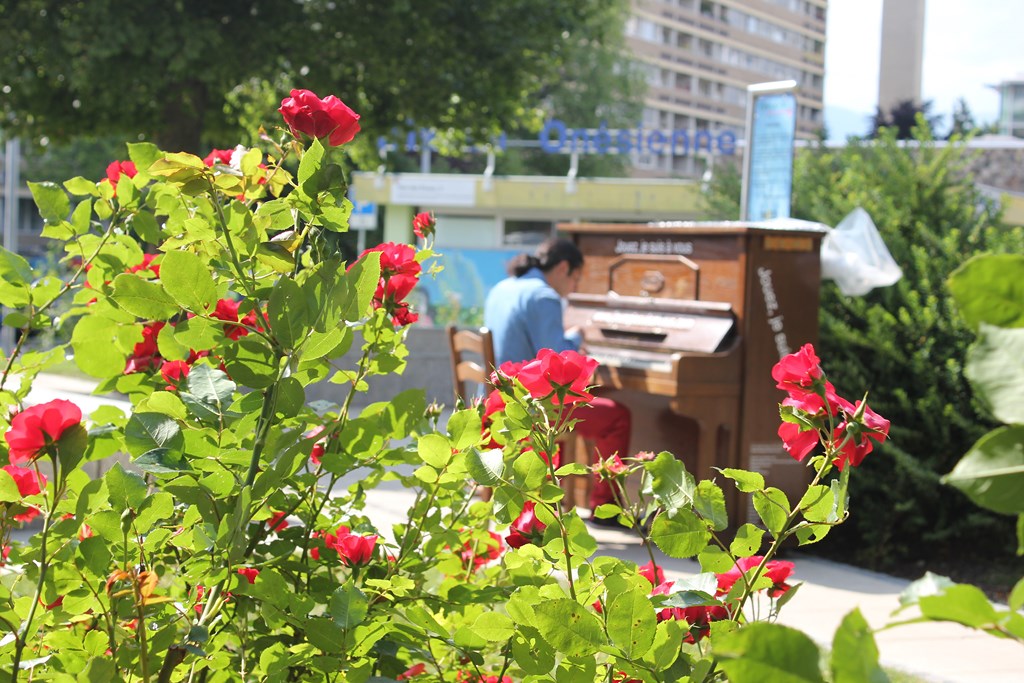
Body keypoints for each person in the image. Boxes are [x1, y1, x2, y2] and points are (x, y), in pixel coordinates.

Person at [484, 238, 632, 518]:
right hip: (531, 408)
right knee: (617, 417)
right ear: (564, 268)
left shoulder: (502, 287)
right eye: (576, 279)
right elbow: (557, 360)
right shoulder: (544, 296)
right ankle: (605, 508)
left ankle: (562, 495)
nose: (574, 288)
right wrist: (577, 336)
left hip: (499, 401)